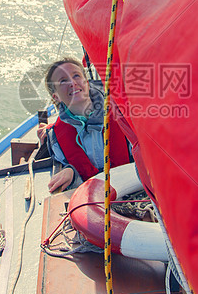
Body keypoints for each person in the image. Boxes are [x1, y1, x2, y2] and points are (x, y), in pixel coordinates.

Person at [38, 57, 132, 193]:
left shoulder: (122, 112)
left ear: (87, 83)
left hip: (132, 190)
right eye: (63, 80)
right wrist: (71, 172)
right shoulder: (56, 140)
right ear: (56, 97)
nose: (72, 82)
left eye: (76, 75)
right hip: (93, 200)